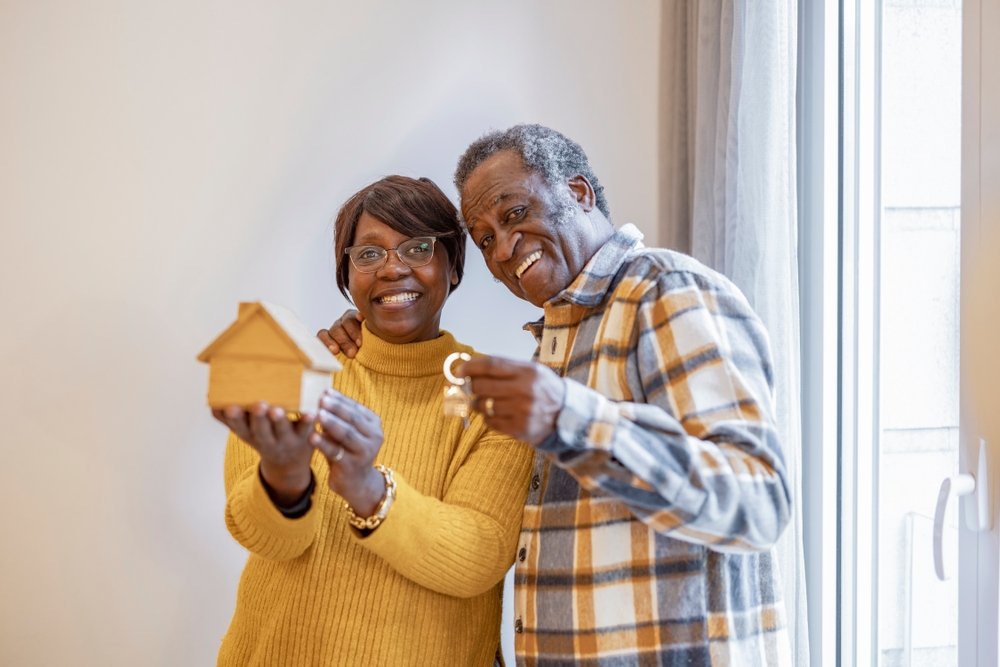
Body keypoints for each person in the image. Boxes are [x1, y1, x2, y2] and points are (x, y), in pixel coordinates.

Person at [322, 125, 793, 666]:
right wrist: (379, 344)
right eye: (484, 238)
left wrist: (573, 418)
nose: (502, 248)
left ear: (579, 193)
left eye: (514, 214)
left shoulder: (666, 292)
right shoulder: (553, 348)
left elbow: (761, 502)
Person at [213, 175, 534, 667]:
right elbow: (266, 540)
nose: (391, 269)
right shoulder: (300, 372)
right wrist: (284, 477)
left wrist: (368, 487)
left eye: (416, 248)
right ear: (347, 276)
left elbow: (477, 557)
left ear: (453, 267)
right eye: (368, 254)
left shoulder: (491, 392)